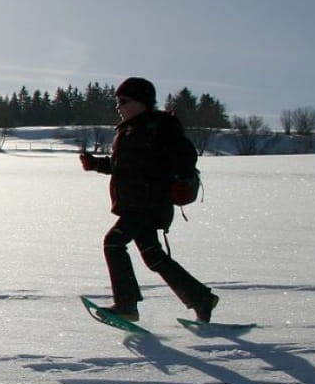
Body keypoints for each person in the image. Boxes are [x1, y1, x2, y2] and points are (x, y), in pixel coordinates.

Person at [80, 77, 218, 324]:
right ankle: (200, 298)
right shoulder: (130, 131)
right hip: (138, 202)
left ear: (142, 102)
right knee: (153, 255)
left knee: (114, 242)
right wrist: (95, 165)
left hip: (147, 202)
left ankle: (126, 305)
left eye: (124, 101)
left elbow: (185, 154)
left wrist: (181, 178)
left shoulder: (160, 126)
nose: (119, 107)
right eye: (117, 103)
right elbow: (123, 167)